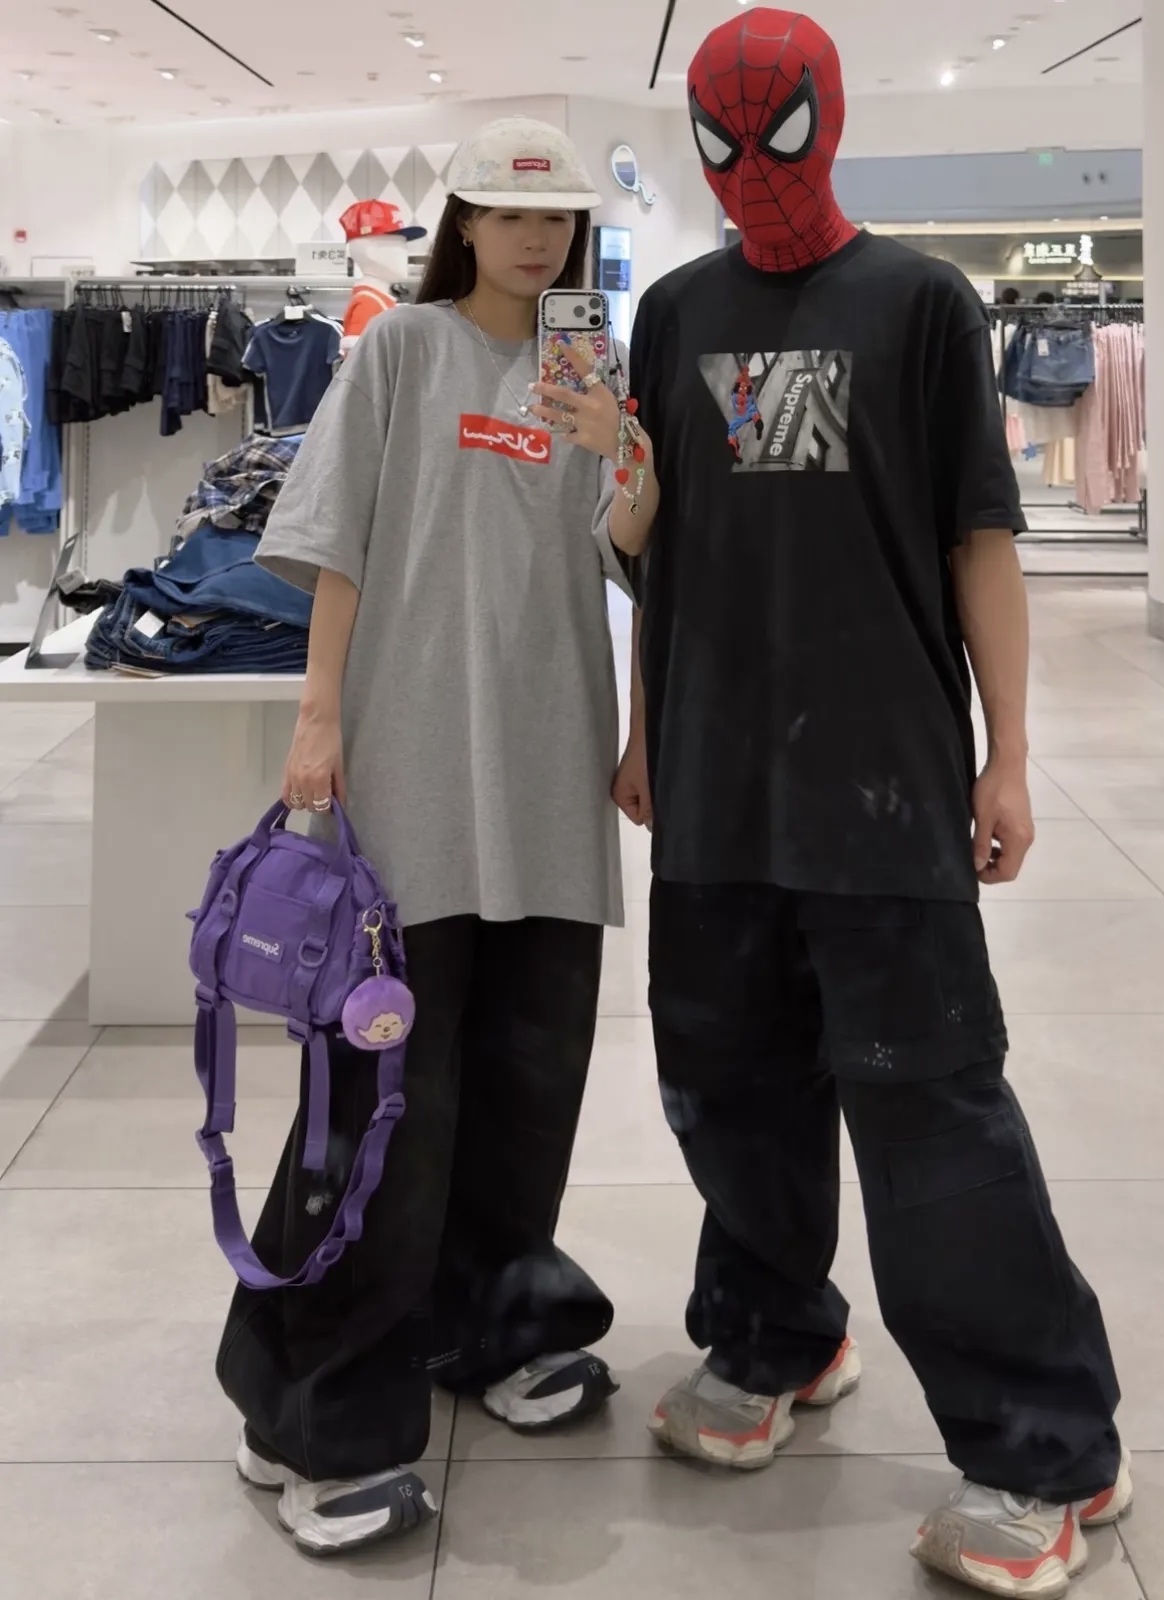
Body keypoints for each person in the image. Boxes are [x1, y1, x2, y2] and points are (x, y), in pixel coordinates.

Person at [613, 11, 1130, 1598]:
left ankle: (1047, 1444)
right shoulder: (673, 315)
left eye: (772, 131)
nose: (744, 166)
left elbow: (983, 539)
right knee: (727, 1087)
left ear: (828, 120)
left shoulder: (922, 304)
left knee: (932, 1115)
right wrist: (642, 730)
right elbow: (657, 545)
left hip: (884, 781)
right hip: (714, 779)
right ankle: (776, 1334)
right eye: (717, 138)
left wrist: (1010, 752)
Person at [216, 116, 647, 1558]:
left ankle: (490, 1324)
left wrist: (623, 454)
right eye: (511, 213)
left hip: (551, 775)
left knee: (528, 1082)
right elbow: (335, 538)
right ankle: (307, 1412)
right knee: (380, 1096)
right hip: (410, 768)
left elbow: (637, 551)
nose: (538, 238)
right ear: (463, 221)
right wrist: (318, 718)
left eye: (559, 217)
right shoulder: (399, 351)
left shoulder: (593, 369)